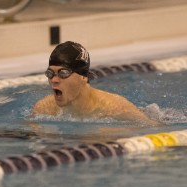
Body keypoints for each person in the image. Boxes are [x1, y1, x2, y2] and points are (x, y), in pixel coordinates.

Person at [31, 41, 162, 127]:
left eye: (63, 73)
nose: (54, 79)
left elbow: (154, 129)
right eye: (50, 73)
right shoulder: (43, 109)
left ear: (83, 77)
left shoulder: (115, 109)